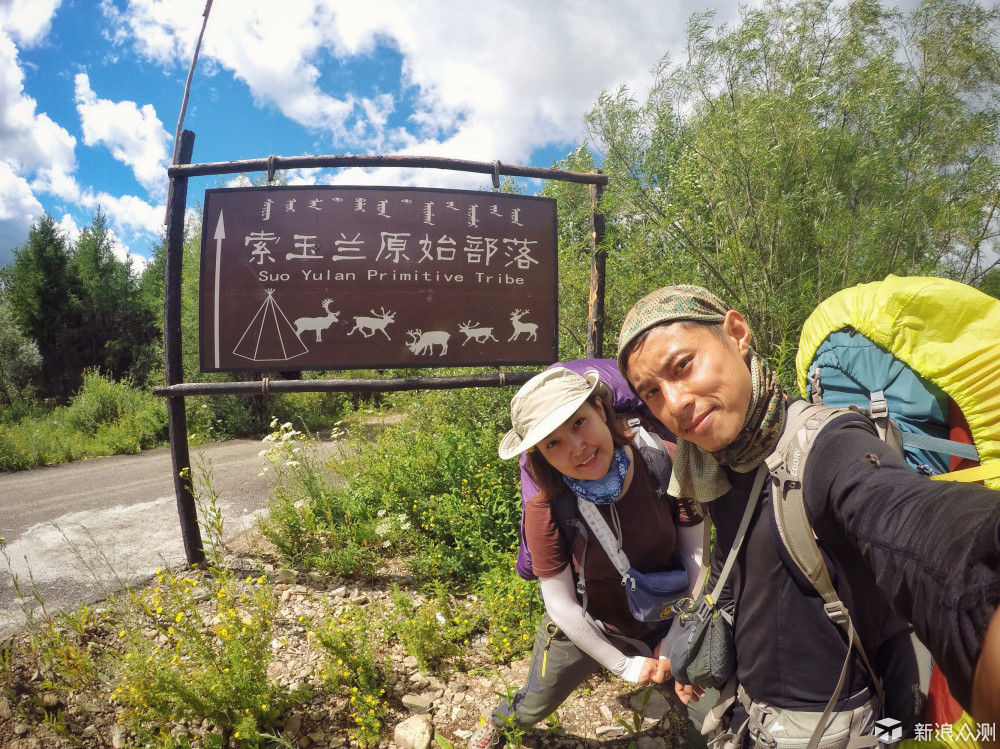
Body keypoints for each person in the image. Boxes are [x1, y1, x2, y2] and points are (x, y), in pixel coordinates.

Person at [616, 284, 1000, 747]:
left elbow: (909, 518)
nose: (674, 403)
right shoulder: (717, 465)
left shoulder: (832, 448)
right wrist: (698, 648)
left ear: (736, 333)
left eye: (683, 366)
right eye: (652, 392)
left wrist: (984, 597)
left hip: (837, 729)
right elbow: (732, 567)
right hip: (749, 716)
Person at [467, 365, 704, 749]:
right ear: (539, 455)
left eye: (579, 423)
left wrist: (680, 633)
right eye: (552, 443)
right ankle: (503, 722)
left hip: (670, 609)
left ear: (600, 408)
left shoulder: (664, 462)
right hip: (588, 621)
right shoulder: (546, 506)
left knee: (711, 707)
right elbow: (559, 602)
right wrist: (624, 666)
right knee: (535, 701)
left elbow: (697, 557)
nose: (576, 447)